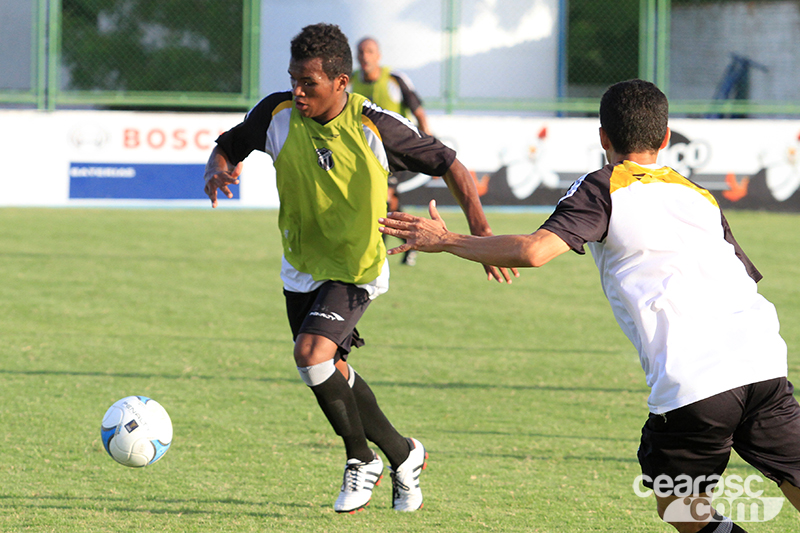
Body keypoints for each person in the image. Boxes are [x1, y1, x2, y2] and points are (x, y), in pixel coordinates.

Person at [380, 79, 800, 532]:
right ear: (665, 138)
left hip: (695, 382)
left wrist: (446, 239)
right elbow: (741, 274)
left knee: (679, 507)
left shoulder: (603, 187)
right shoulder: (699, 194)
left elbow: (535, 251)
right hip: (763, 363)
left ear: (603, 138)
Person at [203, 23, 512, 514]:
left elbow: (451, 164)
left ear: (340, 82)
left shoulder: (374, 125)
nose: (297, 92)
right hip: (301, 264)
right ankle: (404, 453)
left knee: (311, 355)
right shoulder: (275, 113)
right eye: (293, 80)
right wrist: (216, 169)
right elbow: (229, 144)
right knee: (329, 369)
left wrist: (481, 234)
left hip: (356, 265)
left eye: (309, 83)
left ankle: (360, 458)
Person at [350, 36, 432, 266]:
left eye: (369, 51)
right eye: (361, 52)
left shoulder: (394, 79)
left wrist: (428, 148)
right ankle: (408, 244)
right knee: (384, 203)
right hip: (363, 154)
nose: (365, 56)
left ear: (379, 55)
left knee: (385, 198)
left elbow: (419, 111)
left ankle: (380, 252)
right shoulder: (350, 81)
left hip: (394, 153)